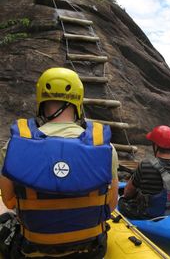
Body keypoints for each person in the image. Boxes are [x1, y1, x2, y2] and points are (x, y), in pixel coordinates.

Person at [0, 67, 118, 258]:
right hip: (92, 250)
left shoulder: (13, 146)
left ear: (41, 101)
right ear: (78, 101)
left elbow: (9, 200)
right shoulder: (105, 148)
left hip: (33, 250)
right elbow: (111, 205)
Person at [118, 125, 170, 219]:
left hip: (150, 217)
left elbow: (127, 193)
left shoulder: (146, 165)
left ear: (156, 146)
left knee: (122, 201)